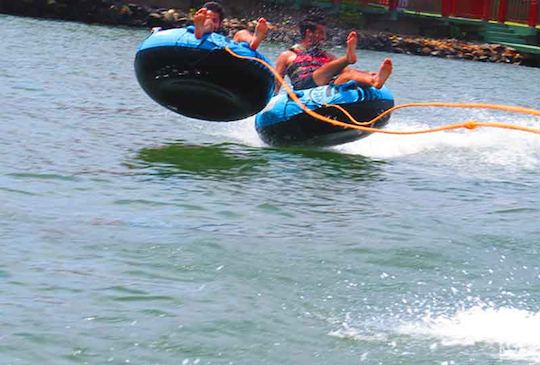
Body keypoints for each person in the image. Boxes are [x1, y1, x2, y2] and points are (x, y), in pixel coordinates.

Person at [274, 15, 393, 93]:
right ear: (308, 32)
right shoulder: (288, 55)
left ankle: (375, 81)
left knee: (348, 74)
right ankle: (348, 58)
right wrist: (270, 103)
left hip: (326, 89)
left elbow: (347, 72)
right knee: (323, 71)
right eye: (320, 33)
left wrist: (368, 74)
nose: (324, 37)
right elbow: (276, 84)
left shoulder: (327, 56)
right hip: (305, 87)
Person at [193, 1, 269, 51]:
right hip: (201, 31)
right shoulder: (189, 31)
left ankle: (253, 41)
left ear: (220, 24)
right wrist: (207, 23)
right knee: (209, 24)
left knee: (242, 33)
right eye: (205, 18)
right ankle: (201, 30)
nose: (212, 22)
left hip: (229, 45)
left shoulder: (222, 32)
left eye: (215, 20)